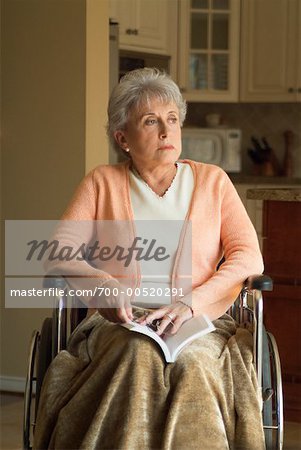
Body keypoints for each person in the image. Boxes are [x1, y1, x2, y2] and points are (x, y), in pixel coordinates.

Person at [34, 68, 265, 449]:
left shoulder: (214, 181)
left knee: (193, 365)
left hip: (200, 322)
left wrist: (190, 305)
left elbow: (248, 257)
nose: (166, 131)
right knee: (138, 354)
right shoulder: (101, 182)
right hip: (122, 324)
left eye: (172, 119)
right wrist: (104, 288)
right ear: (122, 138)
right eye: (151, 121)